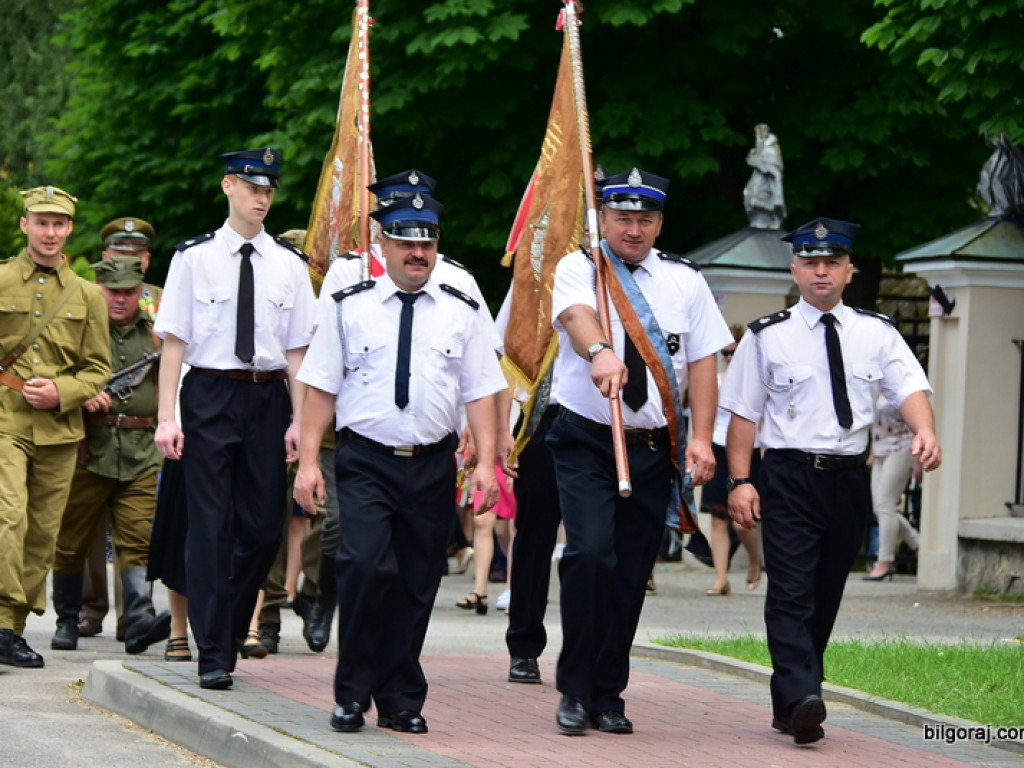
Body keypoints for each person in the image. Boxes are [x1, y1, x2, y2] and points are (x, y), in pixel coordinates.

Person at [721, 216, 942, 745]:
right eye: (811, 263)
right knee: (791, 590)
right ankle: (803, 696)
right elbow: (744, 415)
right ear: (795, 271)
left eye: (832, 263)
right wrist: (740, 480)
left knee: (825, 591)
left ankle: (793, 702)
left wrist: (925, 431)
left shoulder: (876, 332)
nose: (821, 271)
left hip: (848, 479)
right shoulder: (766, 336)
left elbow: (909, 387)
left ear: (848, 271)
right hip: (789, 475)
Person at [294, 191, 504, 735]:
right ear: (382, 244)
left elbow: (482, 389)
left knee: (416, 580)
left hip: (432, 464)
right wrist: (308, 462)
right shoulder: (349, 304)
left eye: (427, 243)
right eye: (406, 242)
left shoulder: (461, 307)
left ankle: (400, 698)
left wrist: (487, 464)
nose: (418, 253)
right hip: (366, 458)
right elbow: (320, 387)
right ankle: (351, 693)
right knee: (365, 567)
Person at [547, 168, 731, 735]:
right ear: (603, 218)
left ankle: (608, 693)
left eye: (644, 219)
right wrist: (600, 350)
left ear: (659, 223)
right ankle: (575, 687)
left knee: (629, 574)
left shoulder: (684, 280)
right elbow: (576, 317)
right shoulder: (580, 267)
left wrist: (700, 437)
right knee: (590, 556)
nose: (633, 229)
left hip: (653, 448)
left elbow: (703, 361)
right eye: (623, 218)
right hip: (587, 438)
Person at [154, 147, 316, 690]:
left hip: (267, 398)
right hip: (209, 393)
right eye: (252, 188)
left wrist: (300, 422)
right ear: (229, 187)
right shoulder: (193, 257)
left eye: (269, 190)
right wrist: (167, 417)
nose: (261, 198)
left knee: (264, 529)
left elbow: (297, 352)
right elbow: (174, 343)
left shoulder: (289, 264)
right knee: (208, 526)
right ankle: (213, 651)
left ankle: (224, 626)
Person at [0, 186, 110, 669]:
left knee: (42, 535)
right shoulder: (1, 278)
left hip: (60, 430)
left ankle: (12, 629)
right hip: (5, 417)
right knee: (8, 517)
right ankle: (1, 621)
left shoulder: (88, 295)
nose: (50, 232)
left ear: (69, 229)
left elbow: (98, 369)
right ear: (24, 224)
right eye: (41, 222)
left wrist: (62, 392)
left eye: (58, 223)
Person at [49, 255, 170, 655]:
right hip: (88, 451)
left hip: (141, 453)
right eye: (112, 291)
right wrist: (82, 392)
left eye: (129, 292)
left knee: (138, 540)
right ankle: (67, 619)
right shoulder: (78, 330)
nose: (120, 299)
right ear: (98, 290)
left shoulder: (156, 337)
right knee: (71, 541)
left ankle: (138, 620)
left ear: (140, 292)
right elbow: (54, 374)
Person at [79, 216, 162, 641]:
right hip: (90, 434)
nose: (128, 258)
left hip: (141, 436)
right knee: (87, 529)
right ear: (105, 256)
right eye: (119, 251)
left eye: (136, 253)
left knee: (136, 528)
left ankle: (134, 616)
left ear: (146, 260)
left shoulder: (162, 302)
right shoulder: (85, 298)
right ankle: (89, 607)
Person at [703, 324, 762, 596]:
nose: (728, 358)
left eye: (733, 352)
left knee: (742, 520)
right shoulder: (716, 381)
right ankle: (720, 578)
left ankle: (754, 558)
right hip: (719, 447)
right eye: (724, 353)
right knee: (718, 519)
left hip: (750, 451)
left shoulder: (756, 380)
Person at [863, 394, 920, 580]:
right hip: (880, 450)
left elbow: (915, 423)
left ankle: (885, 561)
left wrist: (917, 459)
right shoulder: (874, 387)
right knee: (880, 508)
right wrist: (872, 452)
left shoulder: (901, 389)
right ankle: (919, 546)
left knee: (885, 504)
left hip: (901, 448)